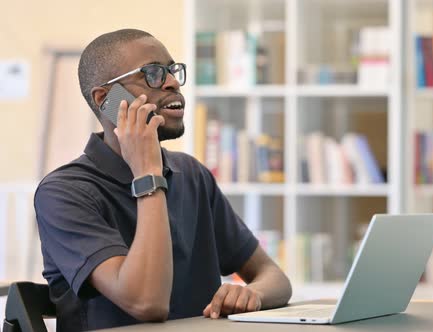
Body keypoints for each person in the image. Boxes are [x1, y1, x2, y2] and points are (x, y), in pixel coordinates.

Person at [34, 29, 292, 331]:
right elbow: (147, 303)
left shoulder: (192, 174)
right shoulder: (63, 193)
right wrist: (147, 176)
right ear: (106, 100)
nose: (172, 81)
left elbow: (274, 277)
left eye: (172, 70)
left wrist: (252, 294)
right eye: (152, 74)